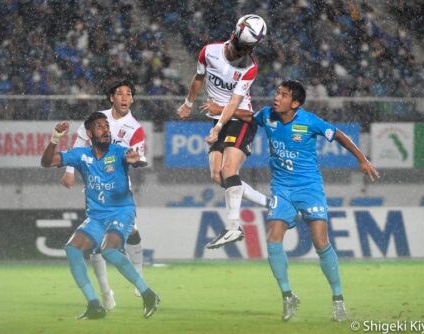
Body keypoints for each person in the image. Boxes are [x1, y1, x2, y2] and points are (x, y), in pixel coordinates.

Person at [253, 80, 380, 321]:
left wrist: (362, 159)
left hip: (309, 188)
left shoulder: (309, 121)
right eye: (277, 92)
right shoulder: (267, 115)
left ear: (295, 103)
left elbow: (340, 135)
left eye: (283, 95)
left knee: (321, 242)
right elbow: (246, 117)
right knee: (272, 240)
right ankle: (288, 296)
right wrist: (221, 113)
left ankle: (338, 300)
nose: (277, 97)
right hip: (281, 189)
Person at [41, 112, 159, 319]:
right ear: (89, 133)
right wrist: (55, 139)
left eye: (107, 126)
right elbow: (47, 162)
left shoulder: (118, 151)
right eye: (100, 127)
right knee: (72, 249)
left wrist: (138, 160)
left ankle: (148, 294)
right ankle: (94, 305)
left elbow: (138, 159)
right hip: (96, 215)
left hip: (122, 211)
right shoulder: (80, 155)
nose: (106, 130)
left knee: (109, 250)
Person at [176, 14, 269, 249]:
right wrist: (188, 103)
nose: (242, 53)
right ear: (232, 36)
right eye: (241, 47)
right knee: (218, 176)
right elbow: (199, 78)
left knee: (229, 170)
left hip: (240, 118)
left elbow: (235, 102)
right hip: (219, 118)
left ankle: (233, 227)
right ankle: (270, 203)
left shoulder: (250, 67)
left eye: (248, 48)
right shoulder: (209, 52)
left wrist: (218, 126)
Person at [61, 80, 147, 309]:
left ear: (132, 99)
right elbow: (80, 141)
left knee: (132, 232)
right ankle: (105, 291)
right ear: (112, 98)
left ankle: (138, 273)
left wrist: (137, 160)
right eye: (120, 93)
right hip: (95, 184)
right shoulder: (98, 119)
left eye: (129, 94)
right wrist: (69, 170)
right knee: (95, 241)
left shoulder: (135, 127)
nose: (125, 97)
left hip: (119, 187)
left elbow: (141, 156)